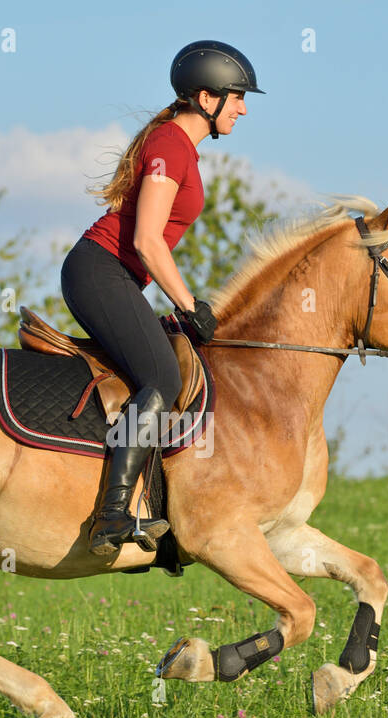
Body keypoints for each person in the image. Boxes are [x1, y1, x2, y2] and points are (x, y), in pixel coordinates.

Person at [61, 40, 265, 556]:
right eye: (237, 97)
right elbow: (146, 240)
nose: (244, 108)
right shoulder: (171, 145)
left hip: (116, 277)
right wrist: (188, 304)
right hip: (99, 272)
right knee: (162, 377)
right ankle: (112, 516)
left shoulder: (178, 146)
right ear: (206, 97)